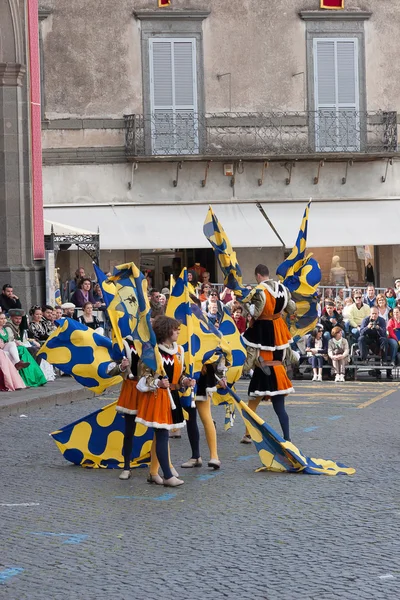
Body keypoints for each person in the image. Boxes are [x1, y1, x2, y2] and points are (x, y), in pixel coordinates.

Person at [135, 316, 196, 487]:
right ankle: (168, 476)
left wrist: (185, 381)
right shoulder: (152, 353)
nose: (178, 331)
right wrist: (158, 383)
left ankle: (153, 473)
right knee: (162, 436)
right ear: (165, 330)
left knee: (161, 437)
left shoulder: (179, 351)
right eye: (174, 328)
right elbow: (144, 377)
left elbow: (180, 374)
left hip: (172, 398)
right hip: (158, 398)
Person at [240, 264, 295, 443]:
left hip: (264, 335)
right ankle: (287, 438)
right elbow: (292, 309)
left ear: (257, 275)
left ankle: (248, 434)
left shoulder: (259, 290)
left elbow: (255, 312)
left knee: (252, 401)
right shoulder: (283, 288)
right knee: (280, 408)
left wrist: (244, 302)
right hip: (278, 332)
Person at [1, 312, 46, 388]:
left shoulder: (4, 329)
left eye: (4, 318)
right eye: (1, 318)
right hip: (4, 350)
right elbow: (9, 340)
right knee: (23, 350)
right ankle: (22, 369)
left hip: (11, 348)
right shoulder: (8, 327)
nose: (3, 320)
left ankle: (28, 371)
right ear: (11, 318)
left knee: (30, 350)